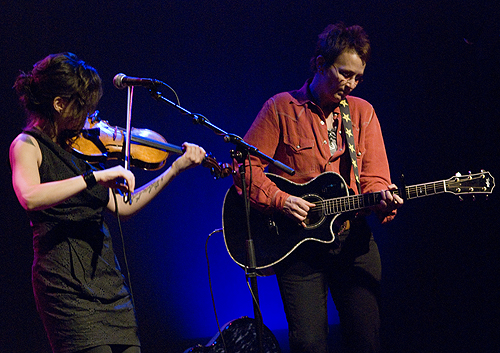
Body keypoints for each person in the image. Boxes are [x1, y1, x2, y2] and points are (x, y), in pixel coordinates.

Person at [9, 52, 206, 353]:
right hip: (63, 285)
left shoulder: (83, 148)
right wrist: (94, 179)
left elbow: (123, 207)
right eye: (82, 108)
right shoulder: (27, 145)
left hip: (106, 280)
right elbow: (30, 196)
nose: (90, 117)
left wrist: (174, 169)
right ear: (59, 104)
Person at [233, 23, 403, 352]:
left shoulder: (363, 112)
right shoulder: (280, 108)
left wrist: (382, 197)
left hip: (352, 242)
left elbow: (375, 179)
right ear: (319, 64)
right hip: (300, 249)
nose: (351, 84)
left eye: (358, 77)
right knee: (309, 344)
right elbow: (246, 168)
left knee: (367, 341)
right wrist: (280, 200)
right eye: (344, 73)